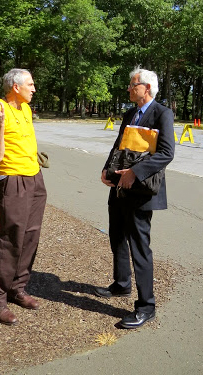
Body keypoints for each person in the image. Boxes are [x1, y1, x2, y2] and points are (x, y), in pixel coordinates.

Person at [95, 66, 175, 329]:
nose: (129, 89)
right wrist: (108, 170)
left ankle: (146, 306)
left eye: (133, 85)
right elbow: (119, 144)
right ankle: (121, 284)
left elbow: (166, 153)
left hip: (140, 191)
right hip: (119, 187)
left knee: (140, 247)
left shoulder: (162, 113)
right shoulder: (130, 113)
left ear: (147, 88)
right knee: (117, 236)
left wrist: (135, 173)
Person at [0, 68, 47, 325]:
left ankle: (17, 288)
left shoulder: (26, 109)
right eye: (30, 84)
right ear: (16, 87)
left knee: (31, 235)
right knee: (11, 238)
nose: (34, 88)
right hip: (12, 179)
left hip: (34, 177)